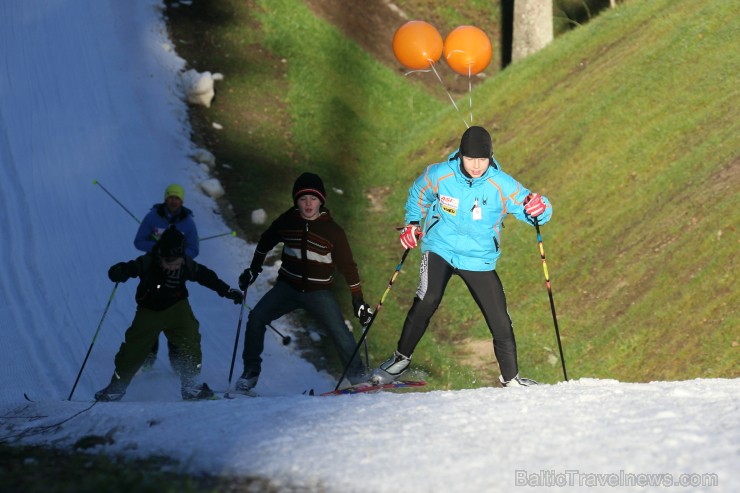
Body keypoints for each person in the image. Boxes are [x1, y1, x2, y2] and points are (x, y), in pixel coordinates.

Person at [371, 126, 553, 388]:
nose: (476, 165)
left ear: (490, 157)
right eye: (470, 159)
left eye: (482, 159)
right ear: (460, 155)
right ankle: (400, 360)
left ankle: (511, 378)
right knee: (428, 297)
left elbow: (532, 208)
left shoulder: (500, 184)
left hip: (478, 258)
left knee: (499, 317)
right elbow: (418, 193)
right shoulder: (440, 174)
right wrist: (412, 223)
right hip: (440, 247)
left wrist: (541, 208)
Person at [235, 172, 373, 392]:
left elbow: (348, 267)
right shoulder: (287, 221)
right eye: (302, 199)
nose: (308, 204)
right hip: (287, 288)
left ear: (321, 201)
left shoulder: (333, 232)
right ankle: (250, 372)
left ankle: (360, 377)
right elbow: (265, 242)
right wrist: (253, 270)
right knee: (256, 318)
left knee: (340, 332)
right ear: (296, 201)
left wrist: (358, 299)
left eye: (313, 199)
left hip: (319, 292)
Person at [95, 226, 243, 401]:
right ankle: (116, 388)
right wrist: (120, 271)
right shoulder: (148, 262)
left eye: (177, 261)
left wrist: (227, 291)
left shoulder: (186, 264)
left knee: (191, 340)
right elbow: (131, 268)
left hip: (178, 307)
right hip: (149, 311)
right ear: (160, 257)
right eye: (169, 262)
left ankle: (191, 385)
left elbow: (206, 277)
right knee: (132, 349)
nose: (173, 266)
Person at [134, 183, 200, 368]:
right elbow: (139, 241)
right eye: (171, 197)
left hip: (176, 272)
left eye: (177, 198)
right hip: (153, 271)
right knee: (150, 309)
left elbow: (194, 248)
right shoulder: (152, 217)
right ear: (165, 198)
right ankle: (148, 355)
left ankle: (177, 359)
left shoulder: (187, 223)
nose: (173, 201)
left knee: (174, 310)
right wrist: (156, 249)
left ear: (182, 201)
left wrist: (179, 257)